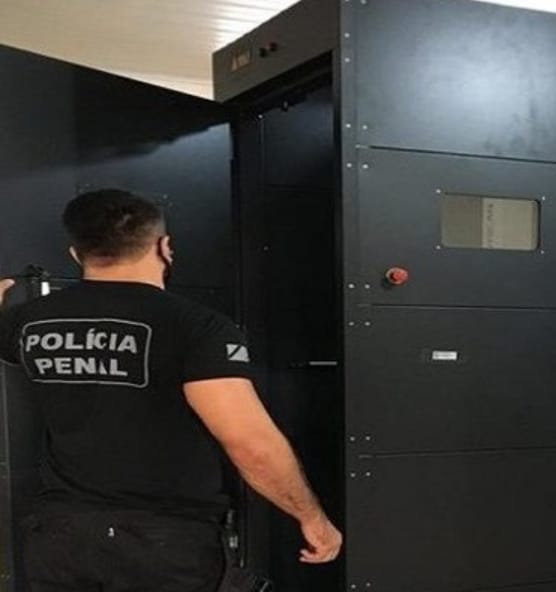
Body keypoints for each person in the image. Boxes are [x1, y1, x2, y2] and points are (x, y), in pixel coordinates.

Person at [0, 188, 342, 592]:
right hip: (161, 543)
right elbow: (250, 443)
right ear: (165, 247)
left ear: (76, 253)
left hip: (59, 539)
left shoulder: (27, 322)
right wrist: (311, 517)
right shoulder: (195, 327)